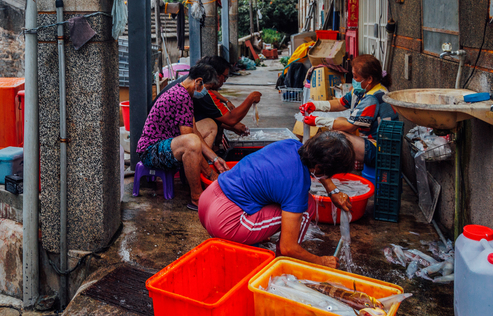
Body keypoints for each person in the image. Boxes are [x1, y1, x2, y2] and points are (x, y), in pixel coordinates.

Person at [198, 131, 355, 268]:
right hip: (226, 222)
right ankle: (285, 261)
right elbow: (288, 247)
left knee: (276, 194)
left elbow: (317, 165)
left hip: (208, 199)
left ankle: (254, 233)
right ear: (321, 168)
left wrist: (332, 190)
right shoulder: (297, 183)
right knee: (307, 206)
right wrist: (320, 261)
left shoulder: (292, 145)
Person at [136, 64, 229, 211]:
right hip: (150, 152)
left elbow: (195, 130)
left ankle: (196, 174)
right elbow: (191, 138)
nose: (207, 92)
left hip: (167, 144)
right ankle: (196, 197)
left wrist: (215, 159)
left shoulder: (184, 93)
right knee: (192, 142)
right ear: (198, 82)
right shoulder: (180, 96)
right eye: (207, 87)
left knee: (210, 125)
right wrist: (210, 173)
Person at [299, 55, 398, 168]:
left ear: (369, 79)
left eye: (356, 77)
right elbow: (340, 103)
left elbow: (350, 126)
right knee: (339, 121)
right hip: (370, 142)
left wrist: (317, 121)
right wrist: (315, 105)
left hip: (382, 151)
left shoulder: (373, 98)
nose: (353, 80)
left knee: (338, 138)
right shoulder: (362, 90)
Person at [158, 56, 262, 148]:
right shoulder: (195, 91)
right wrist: (250, 98)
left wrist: (214, 159)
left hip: (166, 135)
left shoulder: (189, 84)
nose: (224, 81)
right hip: (163, 141)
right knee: (210, 125)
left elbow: (211, 116)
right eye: (224, 77)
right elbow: (230, 119)